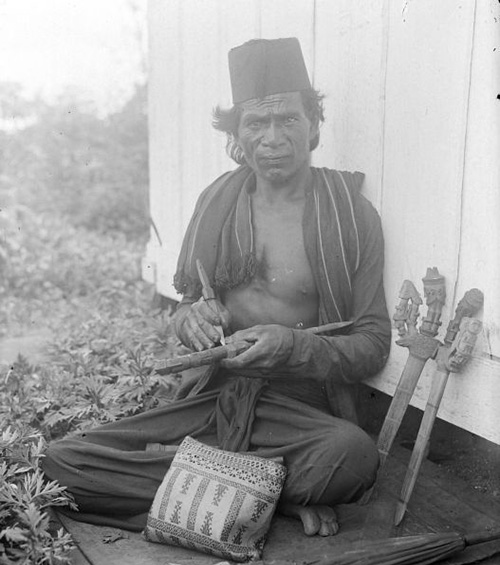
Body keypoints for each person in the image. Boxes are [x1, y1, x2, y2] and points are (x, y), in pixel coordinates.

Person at [42, 38, 391, 538]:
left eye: (288, 120)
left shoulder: (348, 213)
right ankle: (268, 497)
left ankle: (207, 495)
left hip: (296, 408)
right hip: (214, 394)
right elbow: (186, 308)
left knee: (353, 458)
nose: (272, 138)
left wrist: (295, 345)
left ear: (313, 125)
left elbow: (374, 344)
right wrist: (190, 320)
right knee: (63, 460)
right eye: (256, 123)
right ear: (236, 136)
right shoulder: (217, 204)